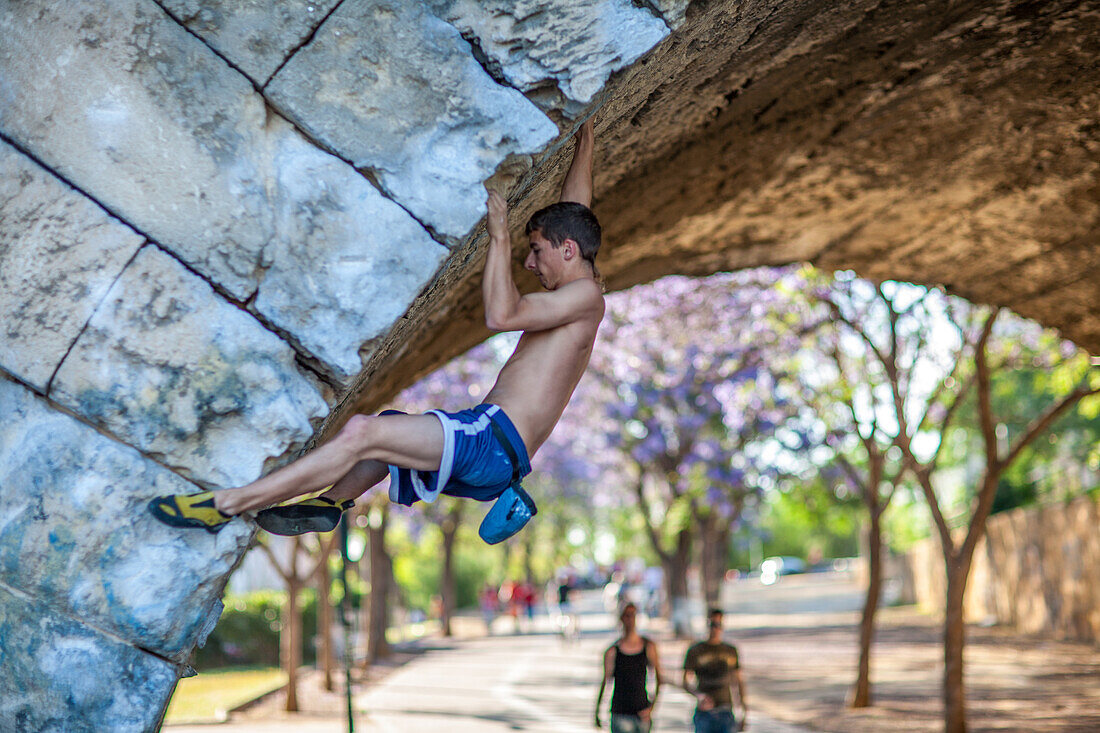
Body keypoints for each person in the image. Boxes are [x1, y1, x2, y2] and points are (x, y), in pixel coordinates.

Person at [148, 120, 603, 539]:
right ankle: (329, 503)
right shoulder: (577, 288)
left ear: (566, 251)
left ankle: (227, 503)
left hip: (489, 441)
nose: (529, 262)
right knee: (386, 432)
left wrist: (500, 236)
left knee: (364, 432)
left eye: (537, 250)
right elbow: (575, 214)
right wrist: (586, 141)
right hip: (497, 457)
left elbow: (501, 316)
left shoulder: (585, 298)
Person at [682, 609, 748, 733]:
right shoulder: (696, 650)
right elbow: (685, 682)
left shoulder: (730, 650)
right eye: (713, 625)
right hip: (704, 712)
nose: (715, 629)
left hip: (725, 710)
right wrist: (699, 696)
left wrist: (743, 710)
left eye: (718, 625)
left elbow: (738, 681)